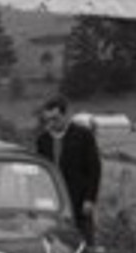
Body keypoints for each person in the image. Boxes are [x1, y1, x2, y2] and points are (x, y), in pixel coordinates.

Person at [35, 94, 101, 244]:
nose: (51, 123)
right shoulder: (43, 140)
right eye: (48, 120)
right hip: (52, 200)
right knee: (56, 240)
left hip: (78, 198)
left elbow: (94, 169)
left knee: (83, 238)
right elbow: (40, 171)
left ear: (65, 115)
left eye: (55, 119)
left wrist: (90, 199)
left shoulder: (83, 135)